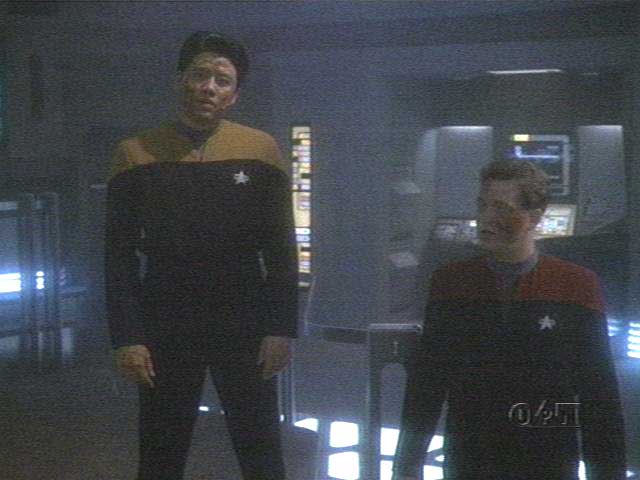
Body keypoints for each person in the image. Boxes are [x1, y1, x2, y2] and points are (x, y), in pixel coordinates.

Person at [104, 31, 298, 480]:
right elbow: (118, 256)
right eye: (200, 75)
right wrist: (128, 336)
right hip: (166, 316)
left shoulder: (260, 151)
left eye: (222, 80)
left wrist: (281, 328)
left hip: (244, 315)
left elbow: (281, 248)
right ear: (181, 81)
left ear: (234, 94)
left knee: (260, 448)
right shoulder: (135, 154)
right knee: (161, 450)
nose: (209, 87)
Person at [392, 160, 626, 479]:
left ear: (534, 217)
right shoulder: (451, 282)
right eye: (482, 205)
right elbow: (428, 383)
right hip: (470, 459)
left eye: (501, 208)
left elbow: (598, 393)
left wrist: (608, 473)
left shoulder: (576, 285)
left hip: (548, 460)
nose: (486, 218)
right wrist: (407, 466)